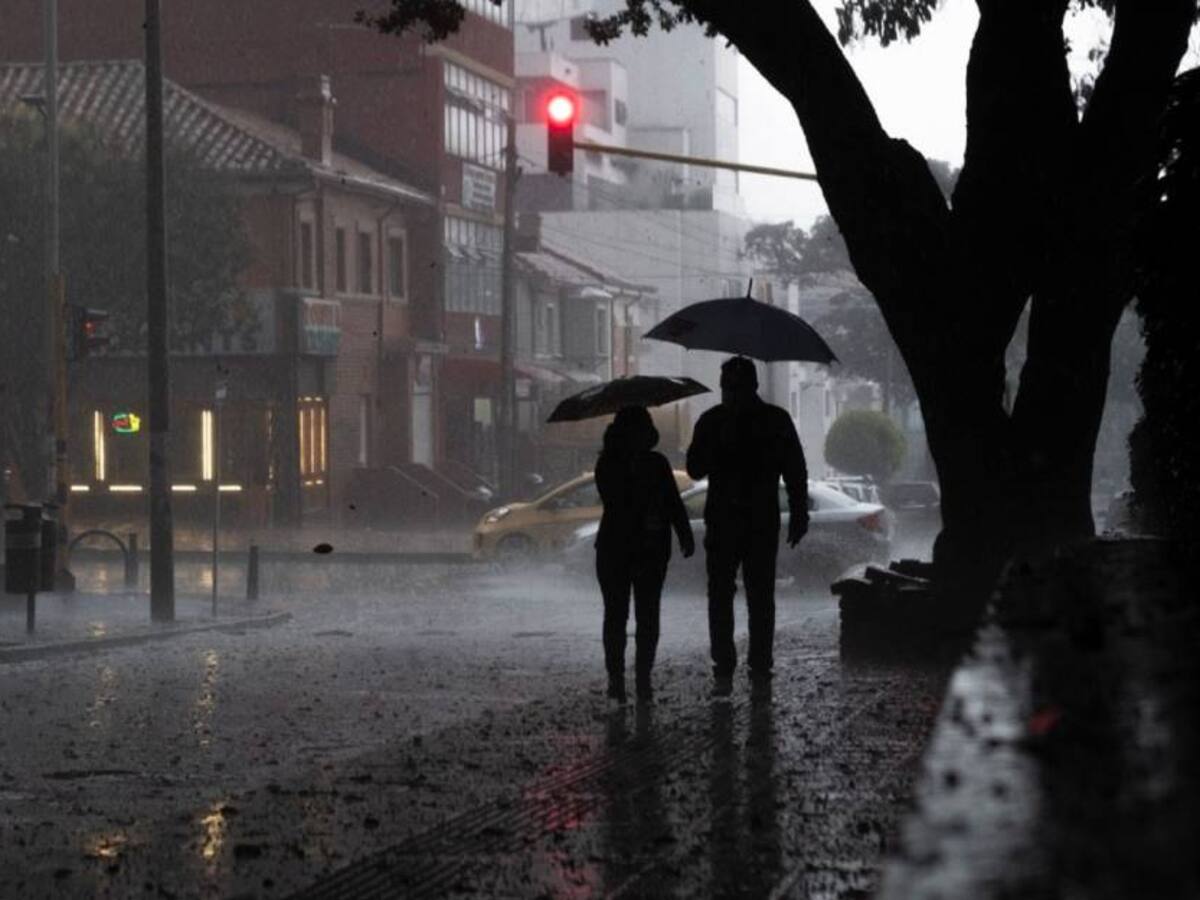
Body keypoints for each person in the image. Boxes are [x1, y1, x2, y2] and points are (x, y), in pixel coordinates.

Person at [686, 356, 809, 697]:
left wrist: (800, 513)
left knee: (736, 594)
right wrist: (799, 513)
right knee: (749, 595)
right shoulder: (771, 420)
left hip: (739, 521)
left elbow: (795, 471)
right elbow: (795, 473)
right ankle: (748, 663)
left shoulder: (723, 421)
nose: (730, 393)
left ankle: (738, 663)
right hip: (749, 521)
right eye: (728, 387)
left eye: (732, 387)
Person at [595, 405, 695, 703]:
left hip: (644, 550)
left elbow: (674, 503)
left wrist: (684, 533)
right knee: (618, 615)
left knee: (645, 616)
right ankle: (617, 680)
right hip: (622, 548)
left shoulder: (656, 463)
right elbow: (616, 501)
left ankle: (641, 679)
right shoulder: (609, 464)